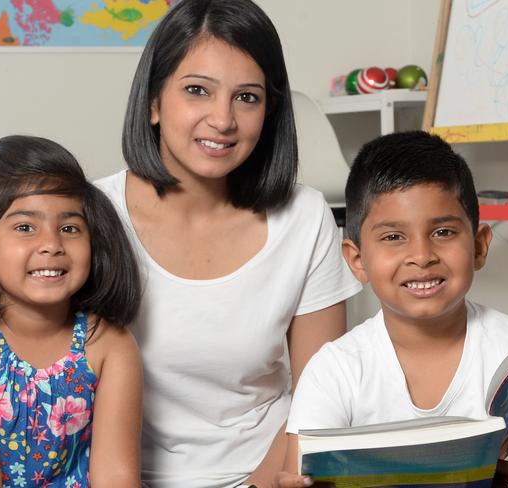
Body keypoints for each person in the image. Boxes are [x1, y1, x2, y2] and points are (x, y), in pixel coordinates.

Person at [95, 0, 361, 486]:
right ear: (154, 102)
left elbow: (322, 393)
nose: (223, 120)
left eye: (248, 97)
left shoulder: (303, 218)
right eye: (197, 90)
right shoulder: (89, 216)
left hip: (268, 472)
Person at [276, 131, 508, 488]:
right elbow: (299, 478)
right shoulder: (334, 371)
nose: (422, 256)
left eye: (443, 232)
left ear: (480, 246)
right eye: (393, 237)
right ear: (357, 260)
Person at [0, 136, 143, 487]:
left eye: (69, 228)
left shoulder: (110, 345)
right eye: (25, 227)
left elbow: (116, 476)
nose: (52, 244)